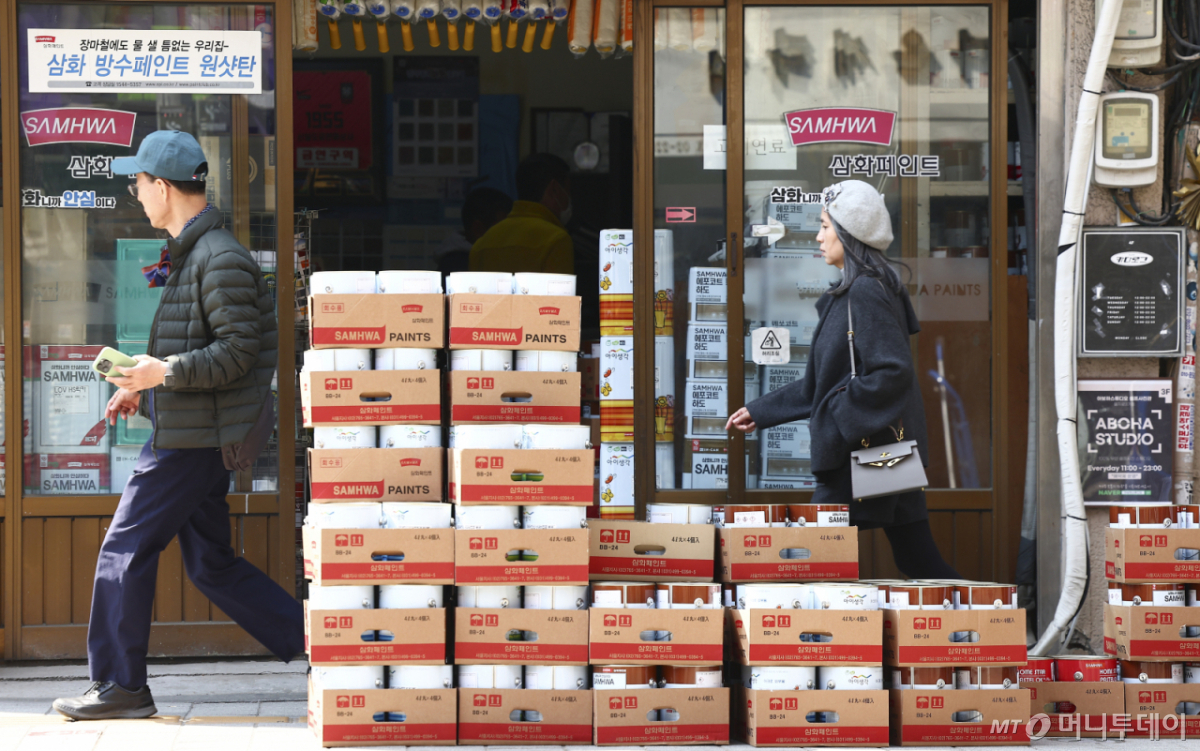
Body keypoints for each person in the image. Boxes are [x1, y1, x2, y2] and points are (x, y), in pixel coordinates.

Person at [52, 131, 303, 721]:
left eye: (139, 184)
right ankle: (319, 644)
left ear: (163, 187)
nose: (136, 195)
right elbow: (199, 348)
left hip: (193, 442)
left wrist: (163, 374)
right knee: (210, 563)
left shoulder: (219, 257)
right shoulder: (197, 253)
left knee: (124, 548)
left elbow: (239, 353)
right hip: (193, 429)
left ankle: (120, 686)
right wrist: (142, 384)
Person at [725, 180, 959, 579]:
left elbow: (892, 372)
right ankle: (981, 624)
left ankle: (803, 635)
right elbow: (823, 382)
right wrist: (761, 411)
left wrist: (838, 416)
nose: (818, 236)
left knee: (812, 555)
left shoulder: (864, 292)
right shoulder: (859, 289)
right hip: (882, 453)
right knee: (917, 559)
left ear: (849, 233)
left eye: (825, 226)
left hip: (864, 454)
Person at [469, 153, 574, 274]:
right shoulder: (557, 240)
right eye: (568, 192)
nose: (569, 199)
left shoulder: (481, 245)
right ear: (555, 189)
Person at [436, 186, 514, 277]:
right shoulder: (458, 268)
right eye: (502, 229)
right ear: (478, 229)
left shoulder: (456, 260)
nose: (510, 235)